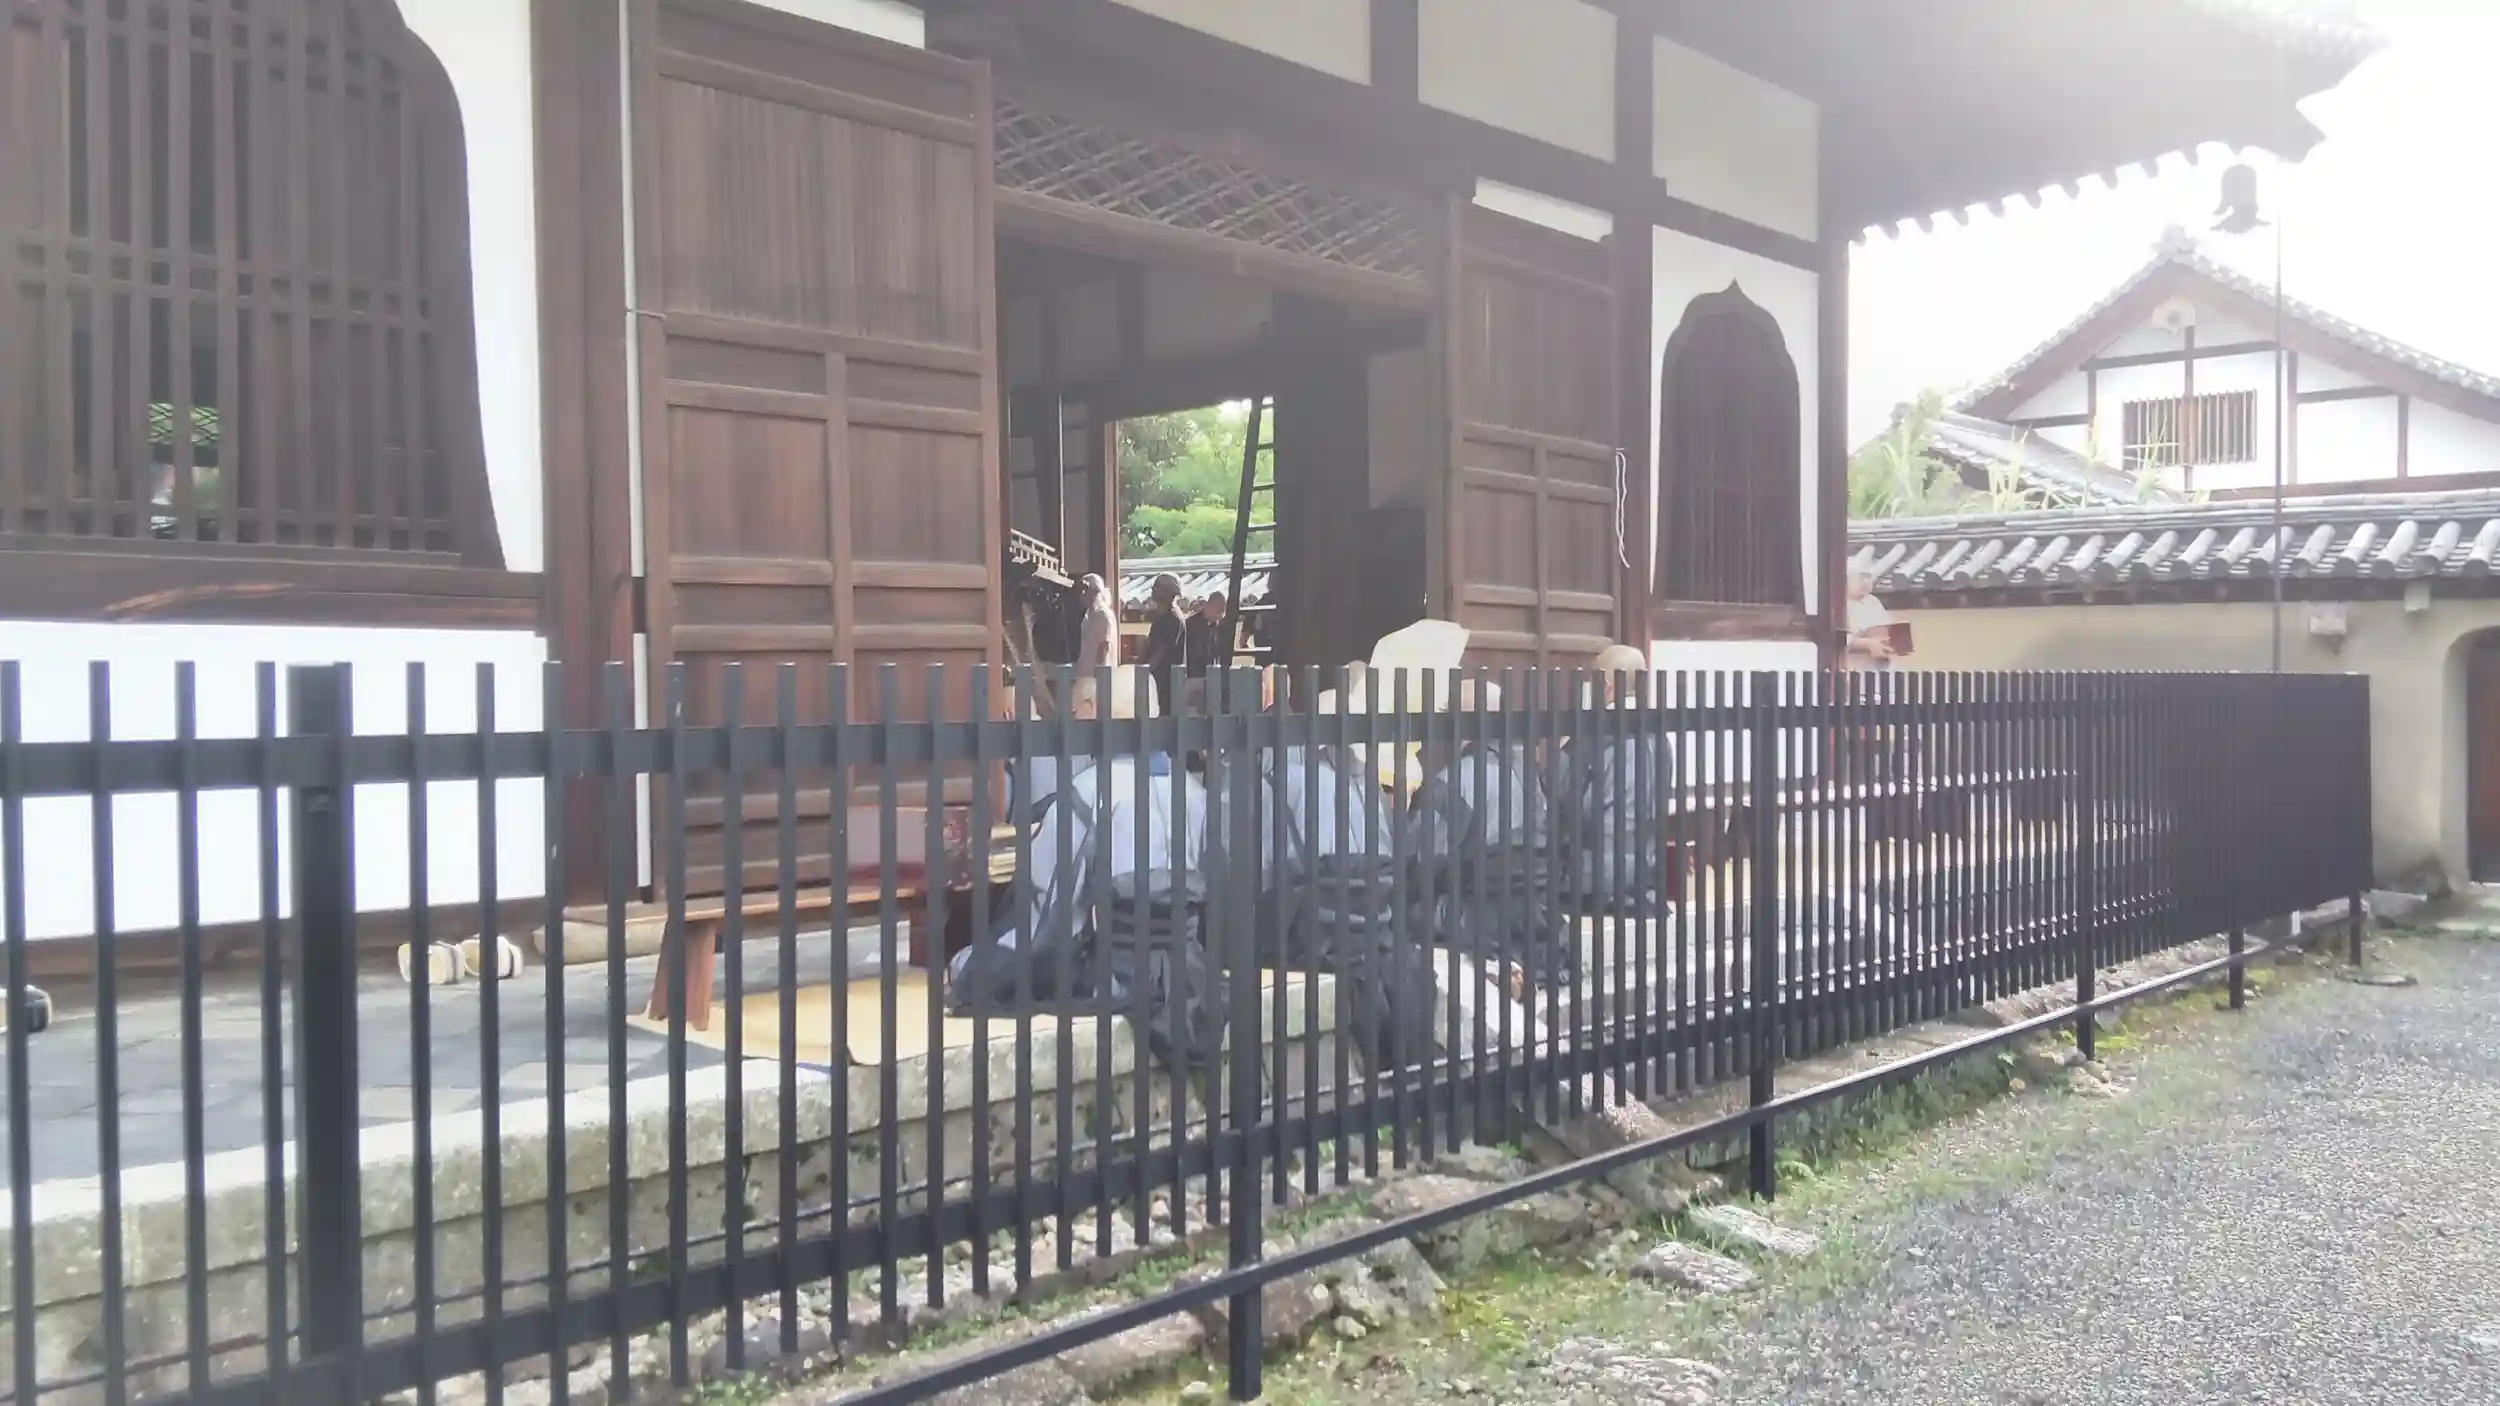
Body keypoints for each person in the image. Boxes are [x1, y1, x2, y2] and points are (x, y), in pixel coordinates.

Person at [1140, 573, 1185, 716]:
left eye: (1157, 586)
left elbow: (1161, 650)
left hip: (1166, 683)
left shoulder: (1172, 618)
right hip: (1161, 681)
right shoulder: (1164, 616)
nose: (1152, 589)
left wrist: (1145, 672)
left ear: (1168, 591)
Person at [1074, 573, 1117, 675]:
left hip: (1097, 676)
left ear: (1096, 591)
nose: (1082, 594)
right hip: (1085, 673)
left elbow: (1104, 648)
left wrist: (1099, 675)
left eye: (1085, 590)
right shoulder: (1088, 614)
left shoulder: (1104, 616)